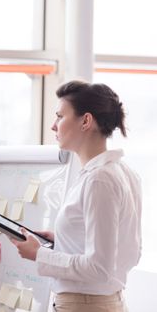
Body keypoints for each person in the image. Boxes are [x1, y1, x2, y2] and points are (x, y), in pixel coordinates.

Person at [11, 80, 142, 312]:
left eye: (60, 116)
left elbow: (99, 268)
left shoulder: (99, 179)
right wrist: (62, 240)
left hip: (84, 305)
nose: (53, 126)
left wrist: (39, 254)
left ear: (86, 121)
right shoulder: (122, 172)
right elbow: (128, 252)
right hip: (101, 302)